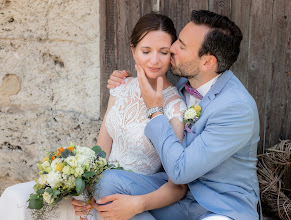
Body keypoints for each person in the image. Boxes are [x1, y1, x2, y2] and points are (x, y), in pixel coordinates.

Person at [0, 13, 188, 220]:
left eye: (163, 52)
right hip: (104, 193)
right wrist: (85, 195)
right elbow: (101, 153)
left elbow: (177, 185)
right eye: (146, 51)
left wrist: (134, 204)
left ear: (171, 55)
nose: (154, 60)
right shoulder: (121, 87)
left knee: (111, 188)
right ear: (133, 51)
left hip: (138, 192)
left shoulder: (175, 107)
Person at [106, 10, 261, 220]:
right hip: (177, 198)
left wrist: (155, 110)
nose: (172, 49)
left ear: (207, 63)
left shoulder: (237, 108)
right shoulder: (182, 87)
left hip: (219, 207)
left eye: (181, 45)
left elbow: (180, 171)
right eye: (177, 40)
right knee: (109, 183)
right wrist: (122, 82)